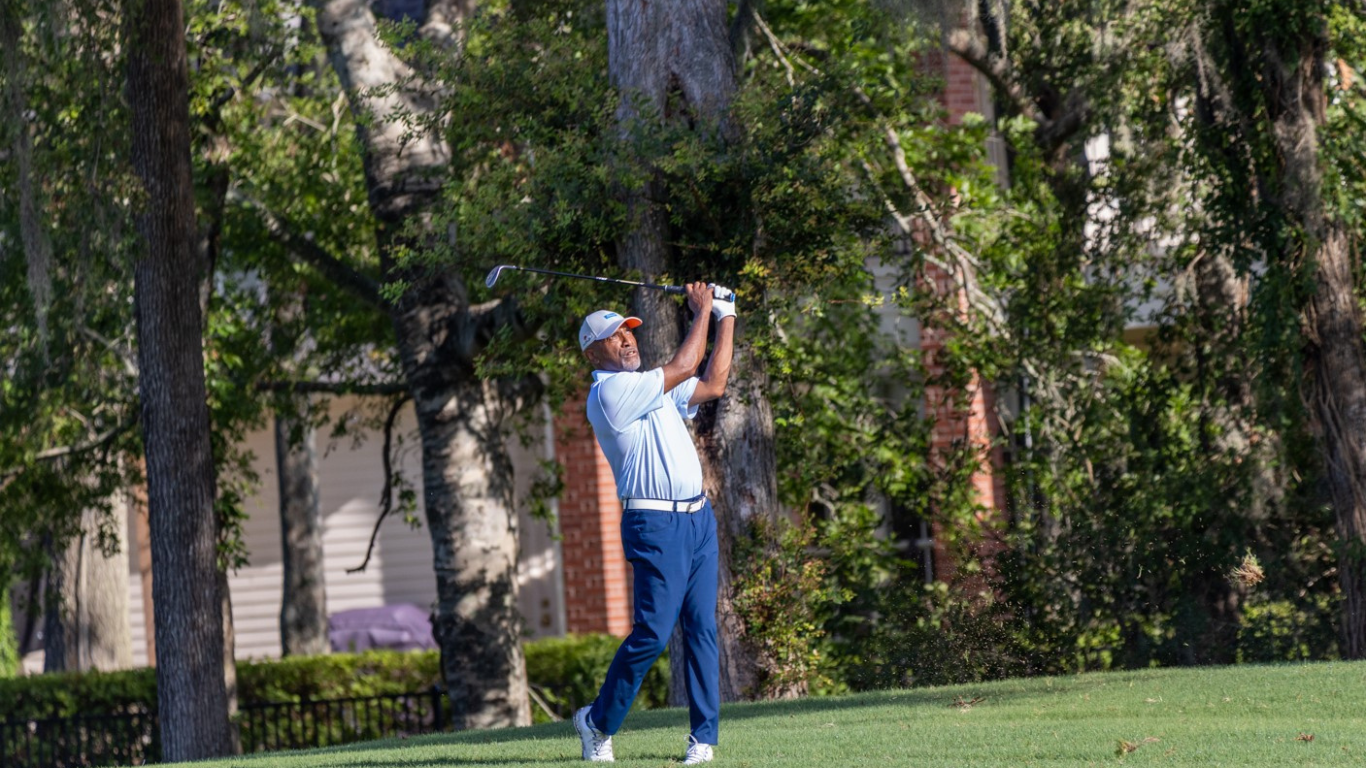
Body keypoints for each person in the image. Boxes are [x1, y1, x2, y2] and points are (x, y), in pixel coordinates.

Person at [572, 281, 736, 765]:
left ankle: (703, 739)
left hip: (697, 518)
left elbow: (713, 382)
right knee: (653, 633)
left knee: (702, 628)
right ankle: (597, 723)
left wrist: (726, 315)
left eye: (629, 331)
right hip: (654, 525)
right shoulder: (610, 393)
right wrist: (701, 309)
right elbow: (686, 364)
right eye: (614, 335)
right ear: (591, 352)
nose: (627, 339)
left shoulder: (653, 386)